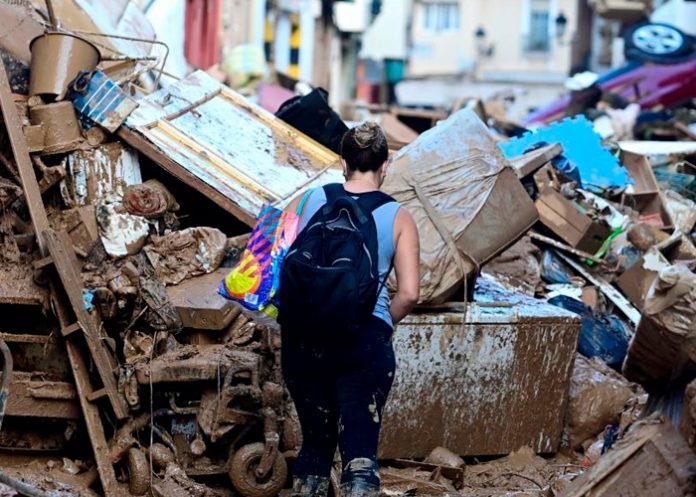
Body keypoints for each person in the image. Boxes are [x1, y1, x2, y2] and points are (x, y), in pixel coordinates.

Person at [281, 122, 420, 497]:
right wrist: (380, 325)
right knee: (359, 449)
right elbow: (409, 293)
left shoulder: (308, 200)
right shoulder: (399, 217)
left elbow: (275, 258)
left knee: (315, 444)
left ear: (343, 162)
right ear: (385, 165)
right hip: (363, 341)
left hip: (302, 341)